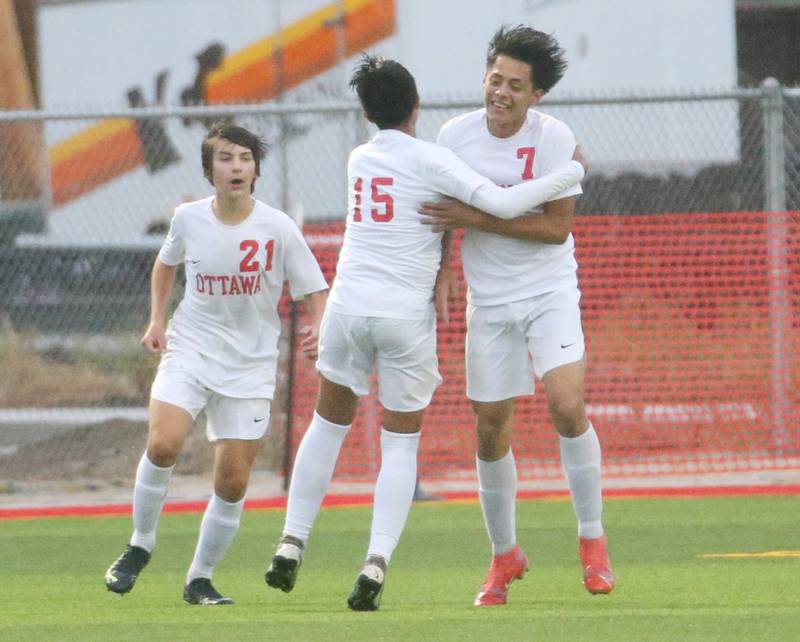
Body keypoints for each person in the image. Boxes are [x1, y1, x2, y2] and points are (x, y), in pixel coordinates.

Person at [264, 54, 587, 612]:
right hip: (401, 318)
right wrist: (571, 174)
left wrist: (443, 263)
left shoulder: (359, 158)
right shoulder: (435, 160)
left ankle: (292, 541)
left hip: (346, 307)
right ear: (417, 105)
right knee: (399, 442)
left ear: (366, 111)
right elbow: (506, 204)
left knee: (326, 423)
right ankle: (375, 560)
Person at [419, 25, 614, 606]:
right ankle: (504, 556)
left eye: (515, 85)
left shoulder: (555, 139)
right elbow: (437, 214)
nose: (500, 92)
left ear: (537, 95)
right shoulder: (454, 136)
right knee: (488, 428)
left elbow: (556, 230)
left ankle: (592, 541)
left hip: (549, 292)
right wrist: (443, 271)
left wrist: (477, 219)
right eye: (494, 79)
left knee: (567, 406)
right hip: (490, 302)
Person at [104, 122, 328, 605]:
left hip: (250, 365)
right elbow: (165, 265)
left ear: (256, 171)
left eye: (245, 158)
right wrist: (157, 321)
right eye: (226, 158)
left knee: (232, 480)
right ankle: (139, 544)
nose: (237, 166)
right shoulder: (188, 219)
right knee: (163, 444)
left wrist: (319, 328)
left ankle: (199, 578)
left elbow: (314, 288)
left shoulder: (278, 226)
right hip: (192, 348)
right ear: (210, 171)